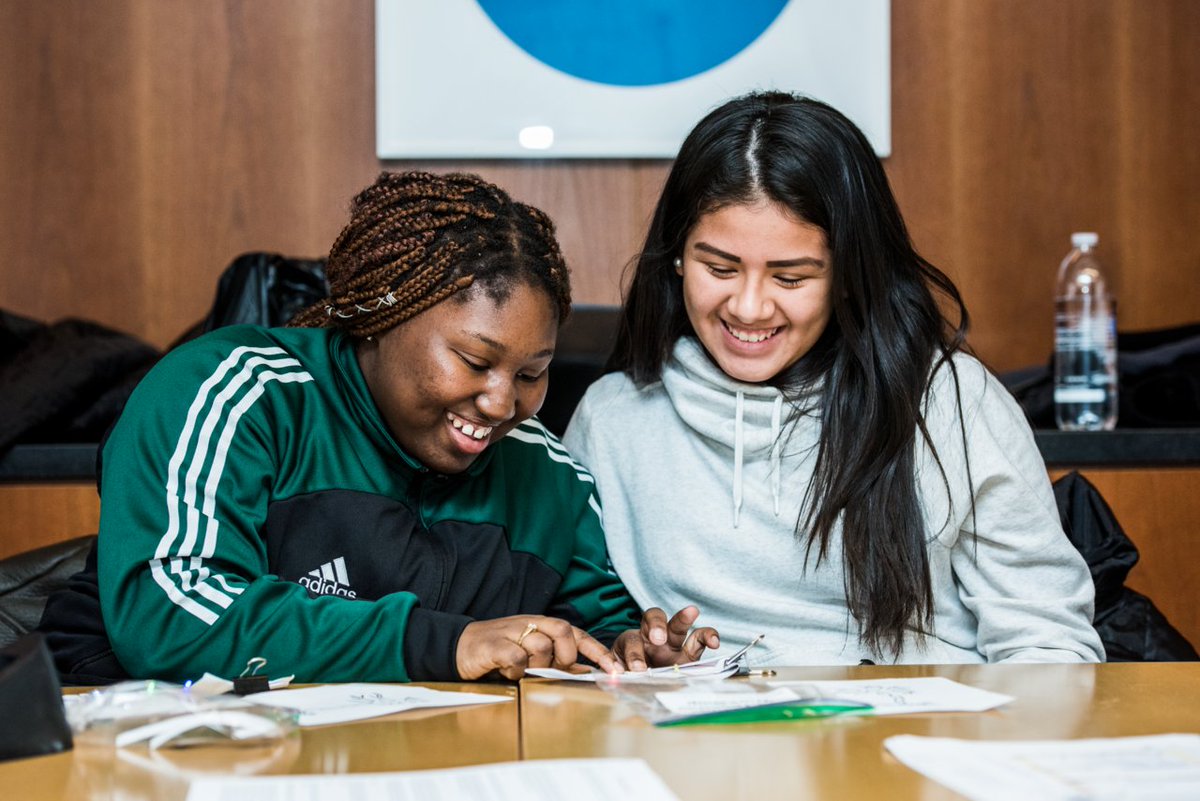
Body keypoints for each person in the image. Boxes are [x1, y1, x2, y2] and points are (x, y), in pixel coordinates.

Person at [45, 171, 712, 684]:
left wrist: (631, 647)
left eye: (531, 373)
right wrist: (442, 642)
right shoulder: (233, 390)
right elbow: (169, 616)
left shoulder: (547, 471)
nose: (501, 403)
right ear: (380, 319)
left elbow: (591, 620)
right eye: (474, 361)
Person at [564, 92, 1105, 665]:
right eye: (719, 268)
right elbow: (575, 621)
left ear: (849, 273)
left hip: (921, 716)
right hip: (705, 721)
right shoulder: (614, 417)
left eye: (791, 278)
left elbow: (1049, 644)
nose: (748, 307)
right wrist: (636, 650)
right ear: (677, 258)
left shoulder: (948, 402)